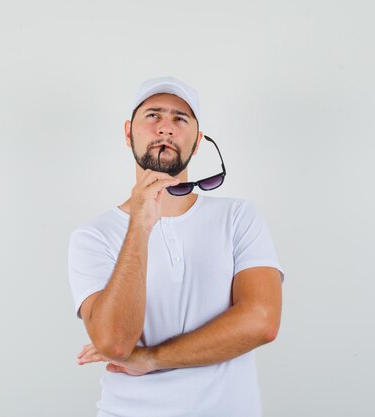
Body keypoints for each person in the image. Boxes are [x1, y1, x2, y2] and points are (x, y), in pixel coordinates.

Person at [67, 76, 285, 417]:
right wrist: (140, 222)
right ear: (128, 133)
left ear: (197, 142)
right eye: (153, 115)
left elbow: (261, 321)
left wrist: (151, 358)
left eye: (179, 119)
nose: (165, 128)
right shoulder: (93, 236)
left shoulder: (238, 216)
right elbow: (115, 342)